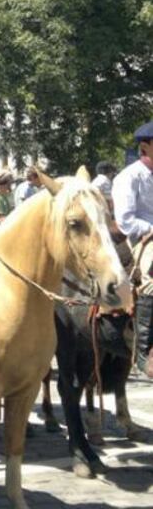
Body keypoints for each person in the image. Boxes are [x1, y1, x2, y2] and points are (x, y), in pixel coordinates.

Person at [112, 121, 153, 378]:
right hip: (139, 239)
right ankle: (143, 351)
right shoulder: (129, 177)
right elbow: (126, 220)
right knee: (151, 282)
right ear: (145, 146)